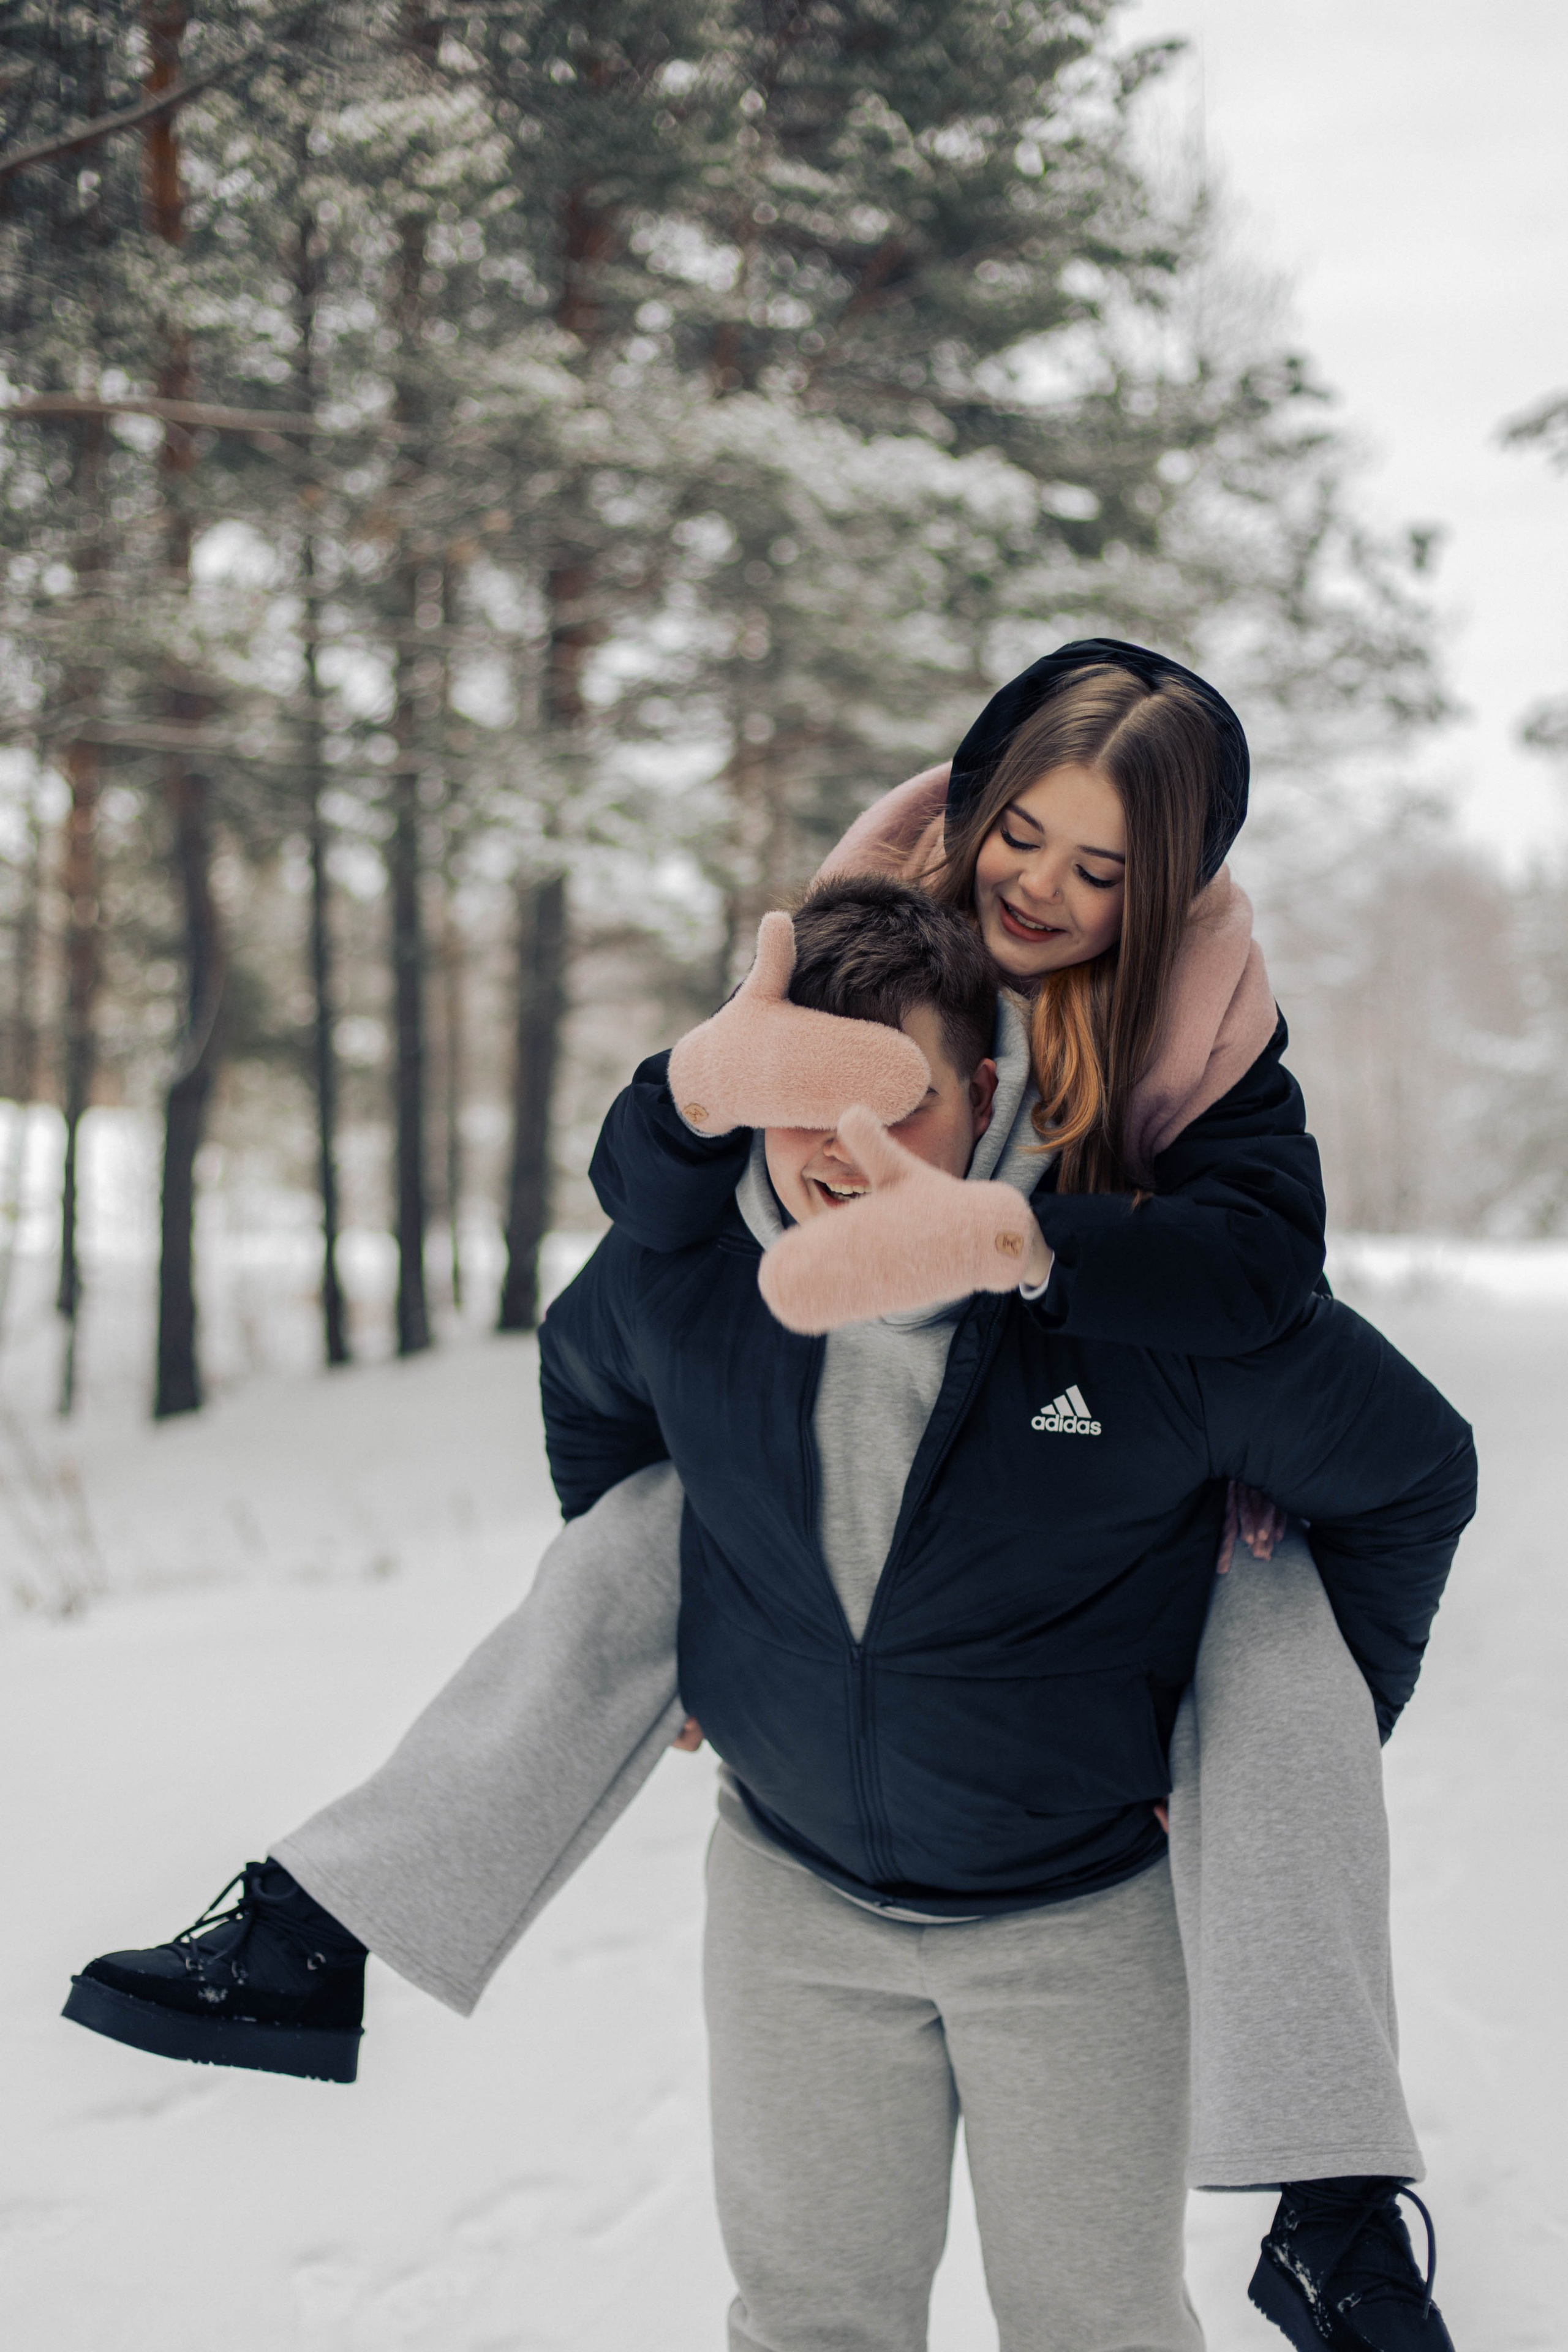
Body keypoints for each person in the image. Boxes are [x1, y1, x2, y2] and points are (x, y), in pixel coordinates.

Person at [62, 646, 1453, 2346]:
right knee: (658, 1513)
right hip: (807, 1879)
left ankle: (1333, 2196)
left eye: (1104, 875)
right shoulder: (856, 955)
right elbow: (623, 1291)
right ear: (972, 803)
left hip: (1088, 1654)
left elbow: (1276, 1297)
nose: (1047, 892)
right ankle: (318, 1924)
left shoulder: (1203, 1049)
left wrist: (1017, 1243)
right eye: (1025, 837)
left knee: (1270, 1590)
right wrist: (716, 1636)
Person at [538, 878, 1474, 2351]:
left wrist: (1268, 1743)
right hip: (792, 1914)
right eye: (796, 1100)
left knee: (1090, 2322)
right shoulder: (691, 1274)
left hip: (1082, 1930)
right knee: (805, 2318)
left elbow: (1411, 1472)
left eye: (890, 1103)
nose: (834, 1156)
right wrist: (680, 1637)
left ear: (984, 1090)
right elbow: (591, 1397)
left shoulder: (1131, 1292)